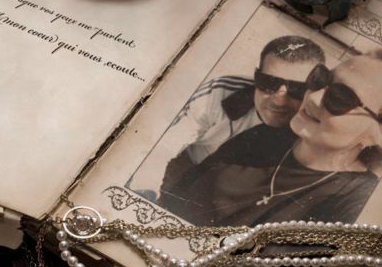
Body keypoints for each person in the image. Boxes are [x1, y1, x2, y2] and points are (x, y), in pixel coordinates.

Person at [157, 49, 382, 227]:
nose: (314, 97)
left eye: (341, 98)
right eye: (321, 79)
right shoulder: (263, 137)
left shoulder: (357, 202)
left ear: (379, 134)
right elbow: (172, 201)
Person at [128, 35, 326, 200]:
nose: (279, 100)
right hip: (191, 168)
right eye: (269, 82)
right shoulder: (220, 93)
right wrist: (145, 189)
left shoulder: (319, 124)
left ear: (314, 89)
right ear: (256, 76)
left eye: (297, 88)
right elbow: (162, 147)